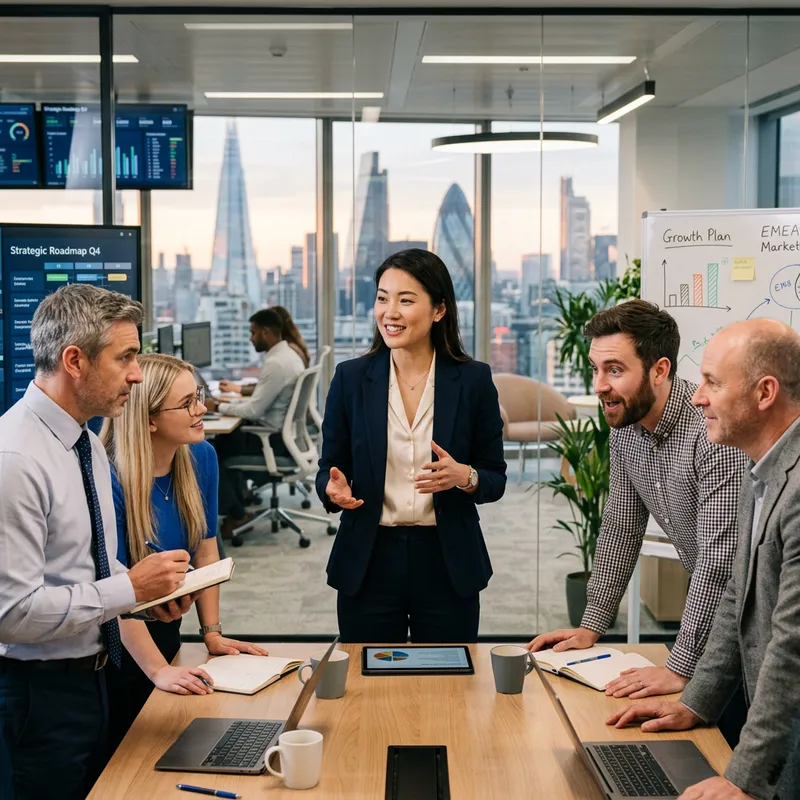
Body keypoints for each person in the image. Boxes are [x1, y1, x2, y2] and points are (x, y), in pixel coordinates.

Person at [0, 284, 211, 800]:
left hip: (93, 678)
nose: (136, 375)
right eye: (125, 358)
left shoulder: (86, 441)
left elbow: (91, 563)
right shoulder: (16, 460)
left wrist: (147, 597)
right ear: (75, 360)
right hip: (36, 694)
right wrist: (127, 590)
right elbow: (10, 613)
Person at [608, 319, 800, 800]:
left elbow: (792, 648)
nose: (698, 397)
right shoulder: (760, 469)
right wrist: (695, 702)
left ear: (765, 392)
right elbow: (737, 597)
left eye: (713, 383)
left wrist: (743, 779)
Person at [528, 301, 748, 710]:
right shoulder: (627, 426)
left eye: (614, 370)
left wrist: (678, 667)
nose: (599, 385)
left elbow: (719, 562)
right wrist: (591, 624)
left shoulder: (711, 432)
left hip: (759, 614)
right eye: (596, 369)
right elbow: (621, 528)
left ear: (660, 370)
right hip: (723, 616)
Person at [316, 248, 506, 643]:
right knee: (368, 687)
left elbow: (494, 478)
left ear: (439, 310)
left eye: (405, 300)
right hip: (369, 557)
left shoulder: (472, 381)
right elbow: (329, 469)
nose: (390, 312)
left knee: (447, 686)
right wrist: (332, 490)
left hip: (446, 558)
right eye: (383, 298)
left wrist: (464, 476)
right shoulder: (351, 379)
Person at [100, 353, 269, 752]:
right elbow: (112, 591)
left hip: (166, 627)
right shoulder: (109, 477)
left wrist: (212, 633)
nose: (202, 409)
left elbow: (206, 552)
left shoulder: (200, 458)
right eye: (188, 403)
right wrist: (156, 668)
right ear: (150, 419)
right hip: (117, 645)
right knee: (131, 753)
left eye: (200, 396)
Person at [205, 308, 305, 538]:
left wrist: (217, 407)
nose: (251, 338)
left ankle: (237, 513)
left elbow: (254, 410)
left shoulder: (277, 363)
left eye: (253, 333)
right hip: (280, 435)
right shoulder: (287, 355)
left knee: (213, 451)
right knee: (225, 440)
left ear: (267, 333)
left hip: (271, 440)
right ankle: (241, 500)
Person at [219, 305, 310, 399]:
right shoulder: (291, 346)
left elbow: (268, 391)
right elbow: (269, 385)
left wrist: (238, 389)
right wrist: (240, 387)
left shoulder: (288, 353)